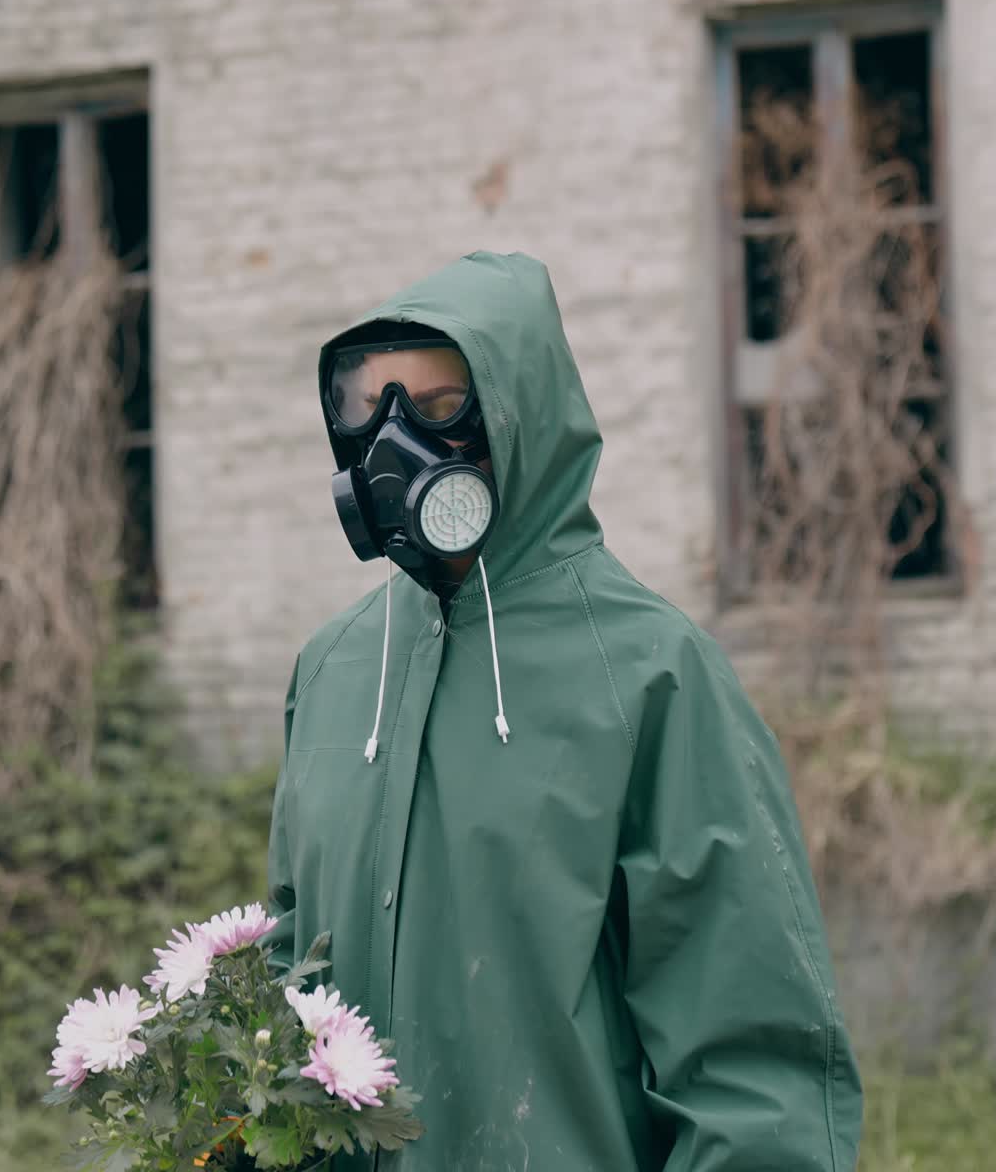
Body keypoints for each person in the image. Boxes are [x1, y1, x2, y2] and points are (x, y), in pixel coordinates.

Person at [267, 250, 862, 1170]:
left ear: (521, 419)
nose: (395, 447)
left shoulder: (652, 673)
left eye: (437, 412)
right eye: (367, 411)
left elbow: (753, 1065)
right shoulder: (335, 669)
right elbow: (285, 976)